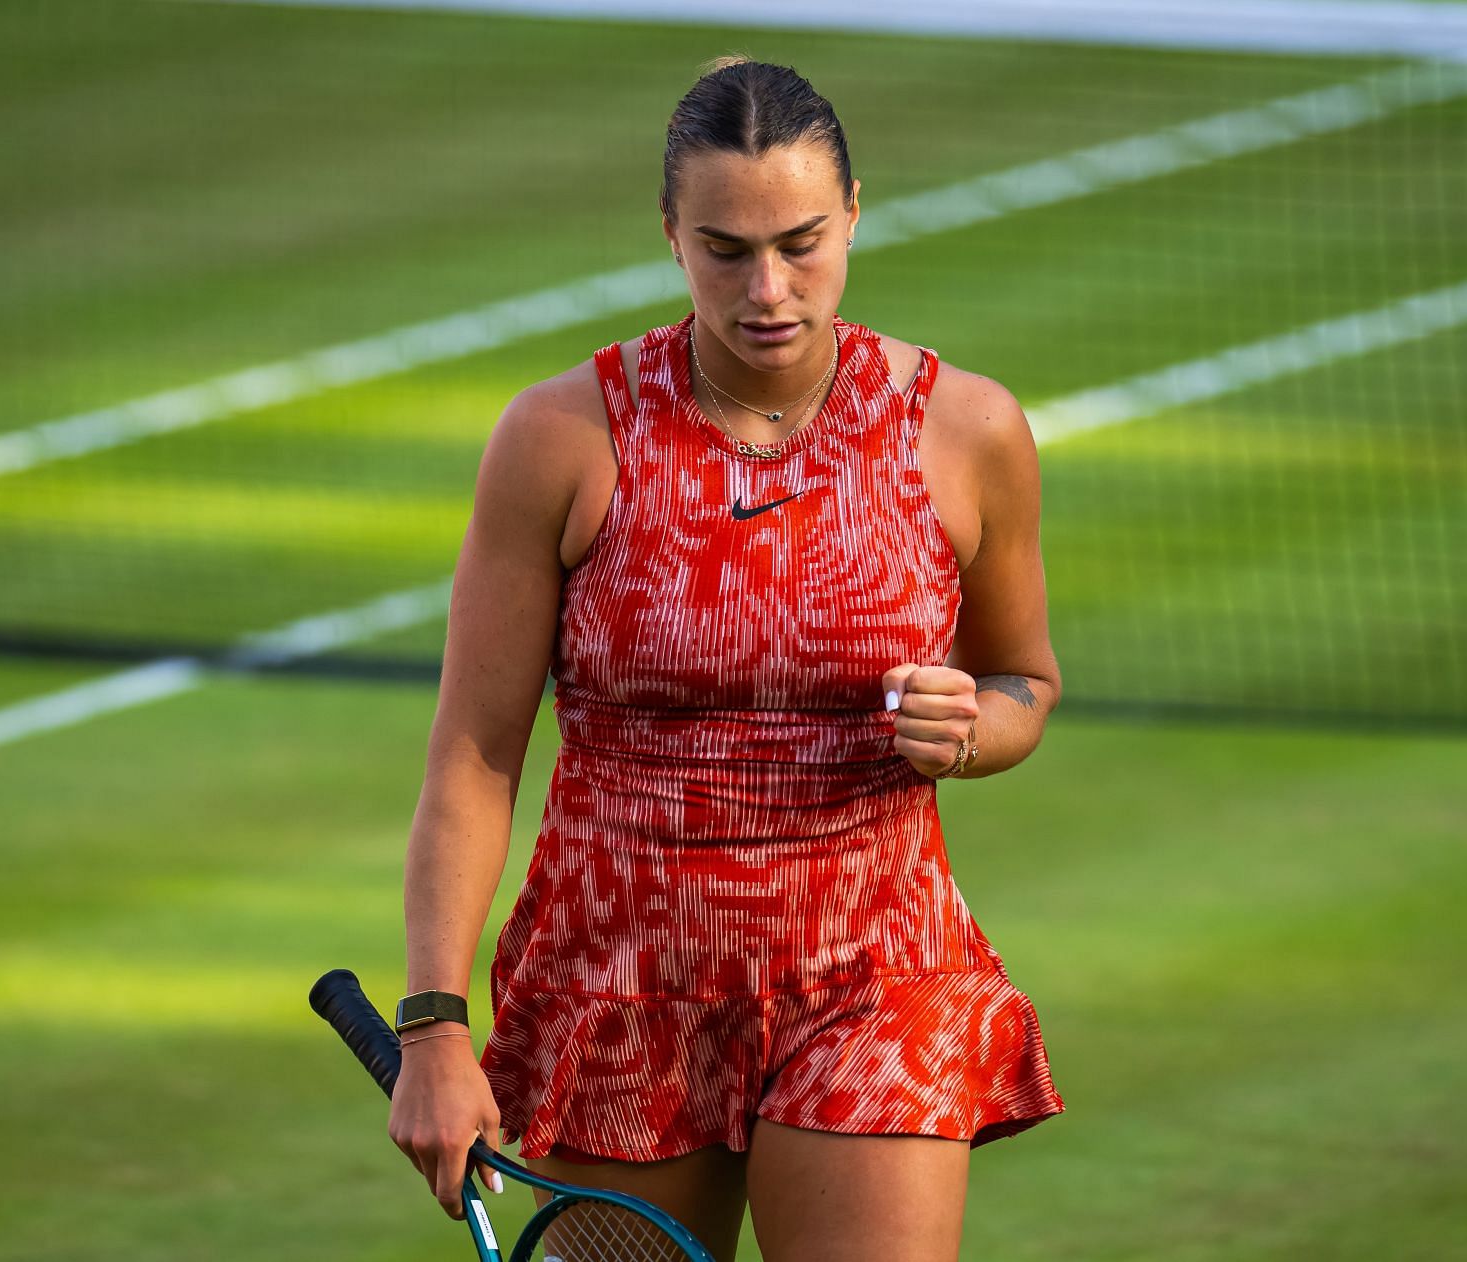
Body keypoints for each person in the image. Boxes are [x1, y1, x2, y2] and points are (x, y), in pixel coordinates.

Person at [387, 55, 1064, 1262]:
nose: (768, 289)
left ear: (856, 209)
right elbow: (476, 753)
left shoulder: (970, 430)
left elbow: (1025, 680)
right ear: (668, 234)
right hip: (616, 981)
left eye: (802, 242)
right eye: (725, 249)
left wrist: (974, 727)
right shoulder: (558, 438)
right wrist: (436, 1023)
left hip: (877, 969)